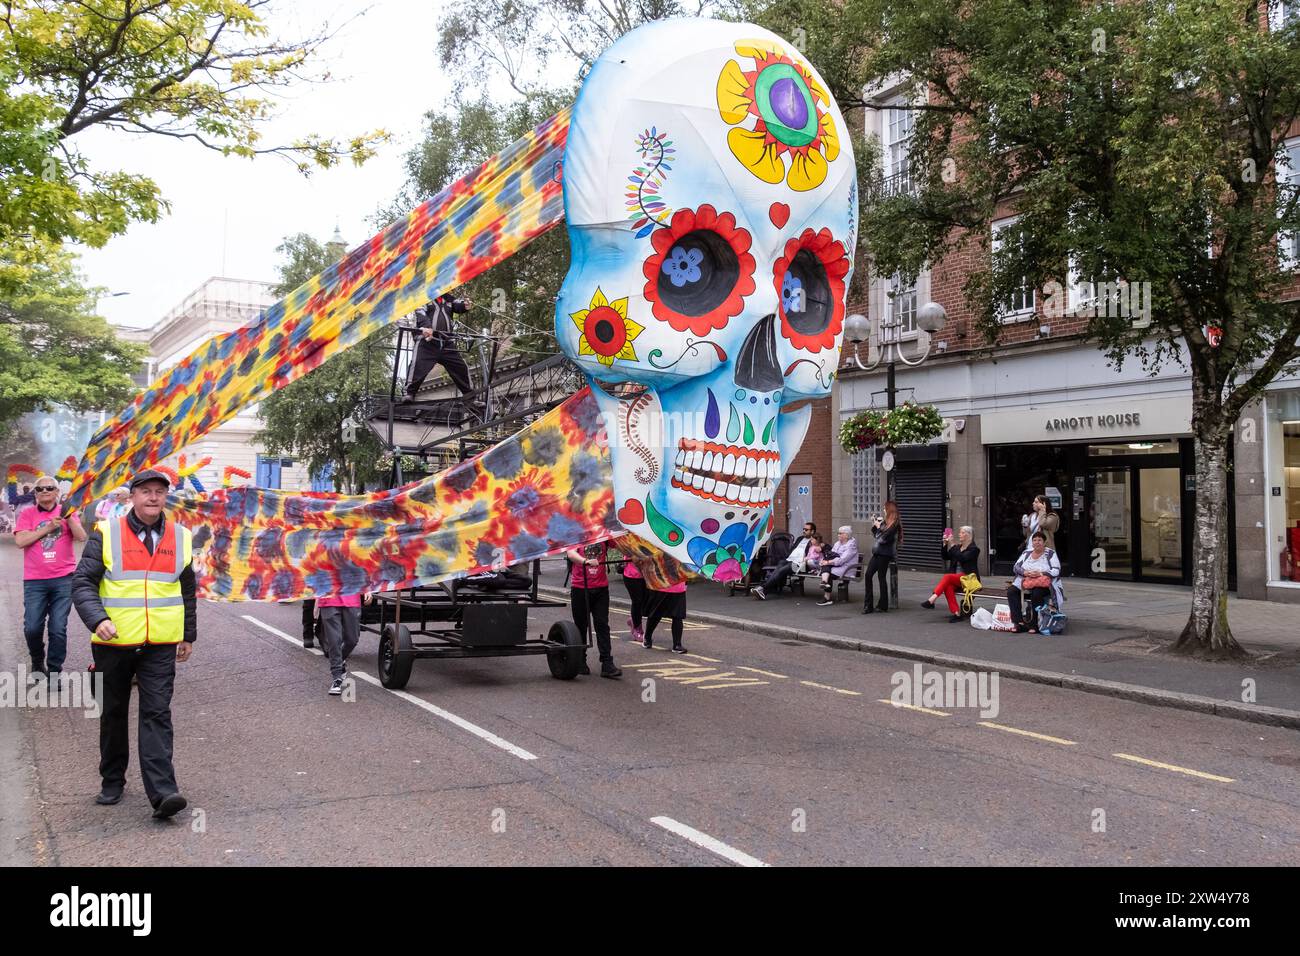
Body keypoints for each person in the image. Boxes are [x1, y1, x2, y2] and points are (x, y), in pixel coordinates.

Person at [71, 468, 195, 818]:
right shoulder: (106, 534)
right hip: (113, 640)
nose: (153, 497)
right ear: (133, 496)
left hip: (161, 640)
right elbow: (83, 583)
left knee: (157, 712)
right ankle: (112, 780)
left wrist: (188, 634)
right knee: (112, 711)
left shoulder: (181, 536)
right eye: (146, 491)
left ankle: (163, 792)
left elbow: (186, 589)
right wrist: (98, 619)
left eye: (159, 491)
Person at [14, 476, 87, 679]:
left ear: (57, 492)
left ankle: (55, 672)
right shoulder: (27, 514)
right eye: (40, 489)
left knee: (58, 628)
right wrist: (47, 528)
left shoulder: (67, 512)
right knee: (32, 628)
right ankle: (37, 661)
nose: (45, 491)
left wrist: (70, 518)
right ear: (35, 494)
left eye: (49, 488)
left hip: (63, 579)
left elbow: (81, 537)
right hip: (34, 580)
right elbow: (20, 540)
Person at [566, 542, 622, 678]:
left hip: (601, 588)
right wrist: (585, 561)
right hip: (580, 587)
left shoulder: (602, 533)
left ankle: (607, 663)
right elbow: (571, 553)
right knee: (581, 626)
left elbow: (620, 544)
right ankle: (580, 661)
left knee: (602, 625)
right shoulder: (576, 532)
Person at [406, 294, 474, 399]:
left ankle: (470, 397)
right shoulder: (422, 298)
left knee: (461, 367)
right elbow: (420, 313)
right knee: (417, 365)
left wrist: (465, 305)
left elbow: (458, 305)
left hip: (446, 341)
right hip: (427, 341)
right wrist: (427, 327)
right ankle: (409, 393)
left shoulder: (448, 299)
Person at [921, 526, 981, 622]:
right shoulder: (957, 547)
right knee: (948, 586)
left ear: (968, 535)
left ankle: (932, 599)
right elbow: (945, 556)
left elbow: (962, 558)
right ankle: (956, 613)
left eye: (961, 532)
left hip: (968, 579)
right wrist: (944, 545)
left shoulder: (974, 549)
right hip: (956, 580)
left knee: (947, 577)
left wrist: (952, 544)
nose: (959, 534)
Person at [1008, 530, 1062, 633]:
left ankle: (1035, 624)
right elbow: (1016, 567)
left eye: (1039, 540)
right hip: (1026, 581)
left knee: (1037, 593)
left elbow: (1056, 570)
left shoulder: (1050, 553)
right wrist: (1025, 573)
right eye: (1034, 540)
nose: (1037, 542)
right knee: (1012, 591)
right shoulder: (1026, 553)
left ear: (1044, 542)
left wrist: (1041, 573)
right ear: (1032, 542)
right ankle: (1018, 622)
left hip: (1043, 583)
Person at [318, 591, 369, 694]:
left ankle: (340, 662)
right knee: (334, 640)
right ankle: (337, 677)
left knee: (352, 640)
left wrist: (367, 589)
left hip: (351, 598)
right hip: (328, 598)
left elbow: (362, 574)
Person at [750, 521, 817, 600]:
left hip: (800, 565)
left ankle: (762, 587)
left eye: (806, 530)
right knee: (780, 565)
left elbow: (818, 552)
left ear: (812, 531)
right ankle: (763, 590)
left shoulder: (814, 541)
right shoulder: (800, 538)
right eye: (803, 529)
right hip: (789, 560)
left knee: (781, 570)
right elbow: (792, 549)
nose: (804, 531)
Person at [862, 503, 902, 613]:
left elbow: (883, 540)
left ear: (890, 510)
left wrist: (879, 528)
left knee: (881, 577)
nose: (883, 510)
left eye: (885, 509)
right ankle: (868, 605)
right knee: (868, 575)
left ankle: (883, 605)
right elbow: (876, 535)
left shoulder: (894, 525)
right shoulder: (885, 523)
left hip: (885, 554)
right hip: (877, 553)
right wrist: (875, 524)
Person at [642, 576, 688, 654]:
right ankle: (677, 645)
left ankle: (647, 639)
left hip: (662, 584)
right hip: (676, 586)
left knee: (656, 614)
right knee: (677, 616)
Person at [818, 525, 860, 607]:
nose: (838, 535)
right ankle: (824, 583)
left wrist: (828, 562)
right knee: (825, 566)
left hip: (847, 568)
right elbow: (831, 555)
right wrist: (824, 560)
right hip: (837, 566)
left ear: (846, 535)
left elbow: (842, 560)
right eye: (838, 533)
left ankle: (827, 597)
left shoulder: (851, 546)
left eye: (840, 533)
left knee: (828, 571)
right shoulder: (837, 543)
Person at [621, 553, 648, 643]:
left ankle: (633, 618)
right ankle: (637, 629)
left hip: (647, 574)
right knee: (637, 601)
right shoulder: (629, 539)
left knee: (646, 601)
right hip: (632, 575)